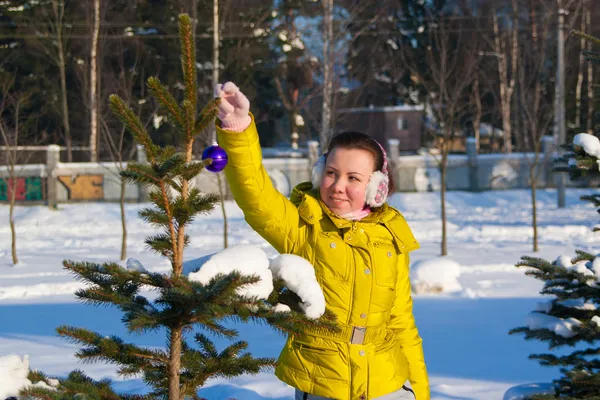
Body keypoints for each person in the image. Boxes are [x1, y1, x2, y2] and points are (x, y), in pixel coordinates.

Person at [214, 81, 429, 400]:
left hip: (388, 383)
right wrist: (237, 129)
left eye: (354, 178)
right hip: (323, 382)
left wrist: (420, 392)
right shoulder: (302, 226)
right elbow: (255, 197)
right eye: (331, 173)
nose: (338, 185)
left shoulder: (390, 237)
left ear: (377, 188)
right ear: (318, 173)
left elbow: (402, 323)